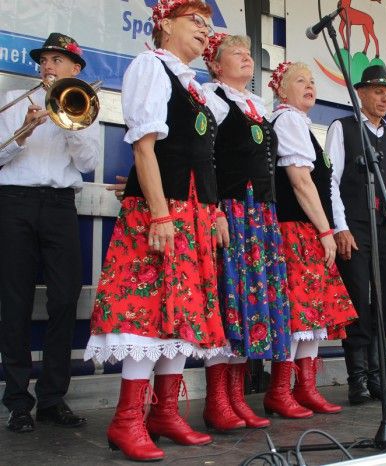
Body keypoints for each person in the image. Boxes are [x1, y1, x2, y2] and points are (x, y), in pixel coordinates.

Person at [83, 1, 230, 461]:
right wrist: (160, 214)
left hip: (194, 213)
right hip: (163, 210)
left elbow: (203, 158)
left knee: (181, 314)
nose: (205, 30)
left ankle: (165, 412)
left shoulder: (194, 86)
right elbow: (144, 148)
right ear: (165, 24)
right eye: (195, 21)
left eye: (208, 24)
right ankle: (127, 419)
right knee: (145, 311)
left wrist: (214, 210)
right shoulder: (151, 67)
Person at [0, 32, 98, 434]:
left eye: (57, 60)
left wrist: (68, 124)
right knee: (15, 301)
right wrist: (22, 134)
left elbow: (88, 163)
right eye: (44, 61)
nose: (47, 66)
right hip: (14, 203)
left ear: (75, 68)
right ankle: (18, 402)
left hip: (59, 205)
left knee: (64, 299)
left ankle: (53, 399)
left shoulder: (84, 102)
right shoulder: (14, 101)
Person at [201, 32, 290, 429]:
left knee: (248, 302)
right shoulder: (211, 98)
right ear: (215, 65)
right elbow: (204, 157)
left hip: (260, 215)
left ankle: (236, 398)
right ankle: (217, 400)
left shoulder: (255, 104)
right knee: (229, 298)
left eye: (248, 53)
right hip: (232, 210)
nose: (246, 57)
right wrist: (214, 209)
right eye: (235, 53)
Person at [267, 61, 358, 416]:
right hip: (294, 229)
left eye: (313, 81)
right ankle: (280, 391)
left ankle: (305, 388)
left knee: (312, 313)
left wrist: (326, 229)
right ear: (281, 89)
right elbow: (301, 182)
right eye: (300, 80)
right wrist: (325, 230)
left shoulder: (301, 124)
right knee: (298, 313)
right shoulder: (287, 120)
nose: (310, 86)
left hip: (307, 230)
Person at [325, 65, 386, 405]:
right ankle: (358, 379)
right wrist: (340, 227)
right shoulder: (343, 127)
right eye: (378, 91)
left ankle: (379, 377)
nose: (385, 98)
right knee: (359, 299)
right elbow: (331, 181)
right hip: (356, 225)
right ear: (360, 93)